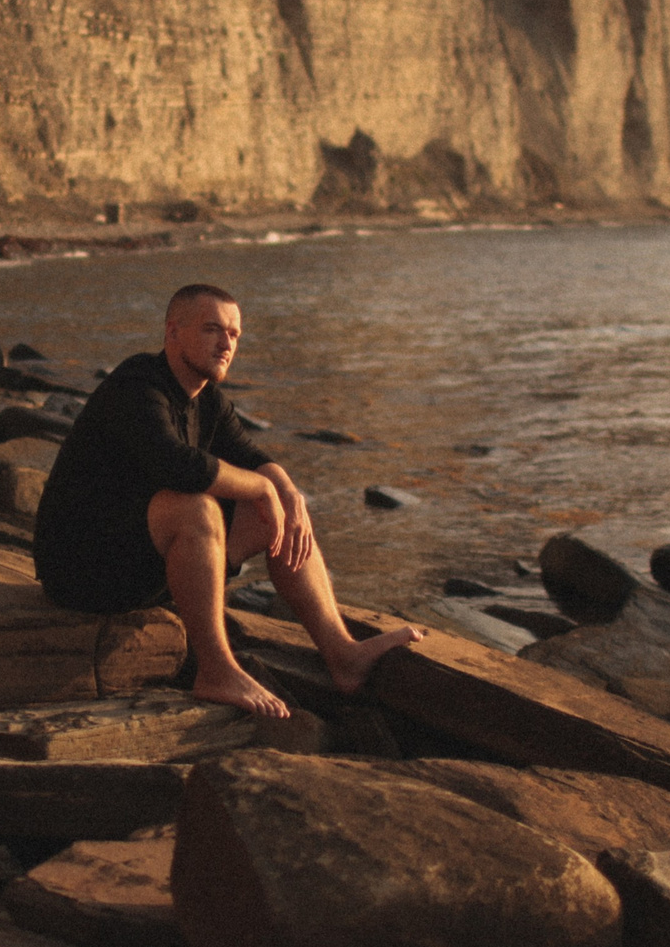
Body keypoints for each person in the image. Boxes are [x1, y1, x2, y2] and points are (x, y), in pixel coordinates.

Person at [33, 283, 421, 718]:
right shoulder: (137, 384)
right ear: (173, 332)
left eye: (234, 334)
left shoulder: (208, 401)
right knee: (197, 508)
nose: (226, 344)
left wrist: (286, 491)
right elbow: (176, 466)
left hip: (141, 566)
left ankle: (342, 654)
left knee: (276, 509)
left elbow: (251, 456)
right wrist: (263, 488)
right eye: (212, 329)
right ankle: (216, 671)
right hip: (81, 568)